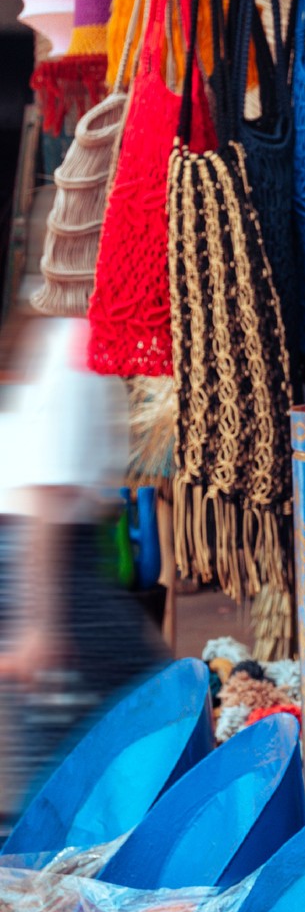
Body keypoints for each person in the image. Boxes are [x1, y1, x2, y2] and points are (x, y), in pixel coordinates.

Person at [0, 314, 167, 834]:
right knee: (144, 715)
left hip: (43, 564)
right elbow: (45, 493)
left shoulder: (51, 344)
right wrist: (39, 623)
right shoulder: (73, 342)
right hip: (49, 569)